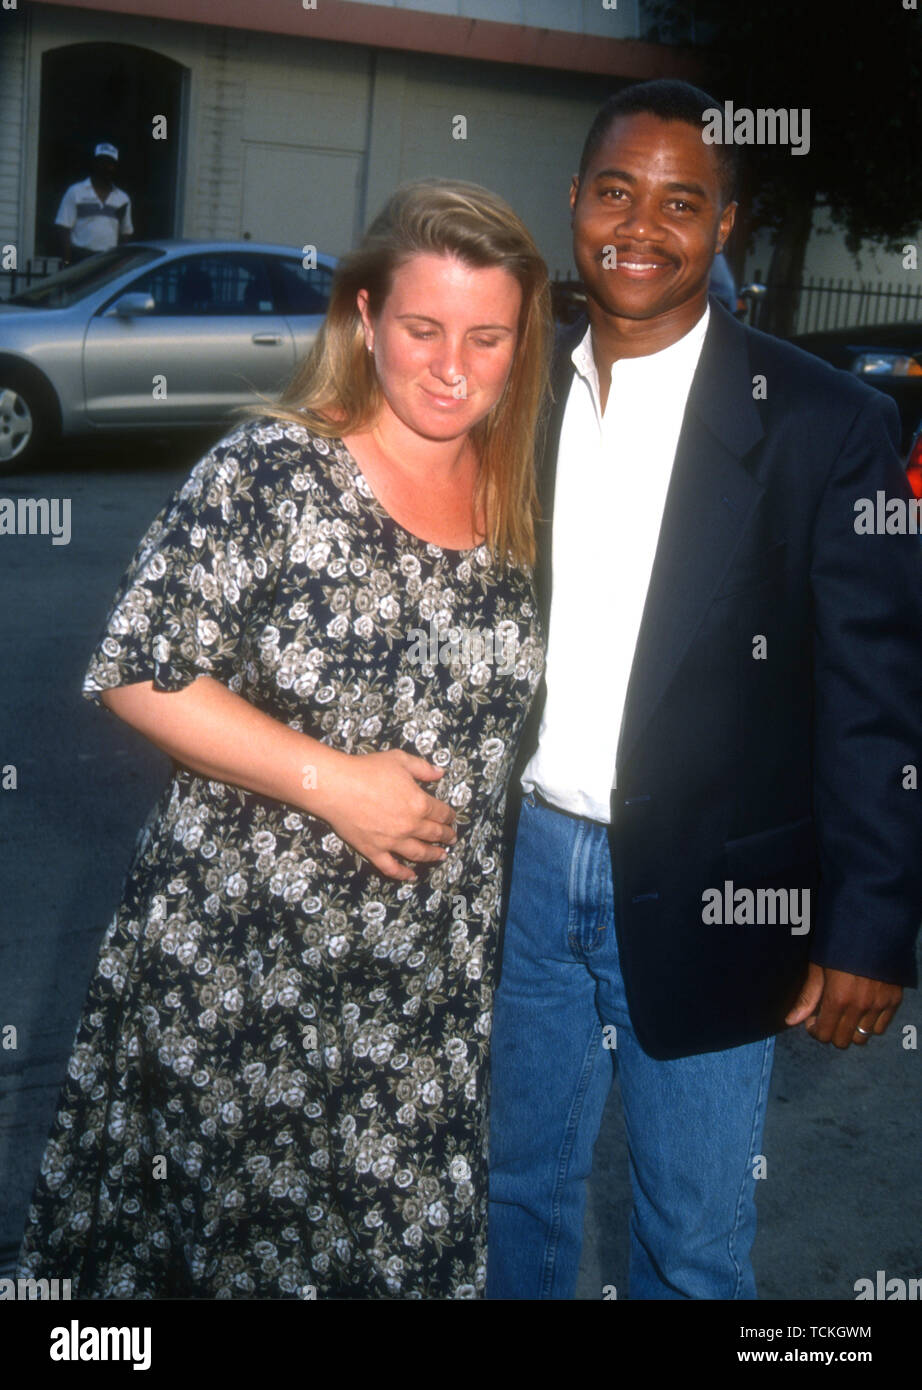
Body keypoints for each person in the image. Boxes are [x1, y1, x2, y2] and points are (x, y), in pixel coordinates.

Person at [17, 179, 550, 1299]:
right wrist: (335, 783)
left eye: (487, 336)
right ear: (363, 319)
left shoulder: (520, 507)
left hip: (422, 1002)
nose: (453, 364)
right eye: (421, 327)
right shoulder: (270, 474)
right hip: (242, 983)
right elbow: (137, 672)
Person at [486, 80, 922, 1301]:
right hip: (522, 868)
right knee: (513, 1194)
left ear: (724, 223)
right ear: (574, 202)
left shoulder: (827, 422)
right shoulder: (519, 391)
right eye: (616, 191)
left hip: (719, 885)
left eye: (683, 202)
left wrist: (868, 927)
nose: (642, 226)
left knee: (691, 1245)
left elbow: (874, 695)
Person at [55, 143, 133, 265]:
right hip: (80, 258)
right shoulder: (76, 191)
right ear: (94, 164)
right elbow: (63, 228)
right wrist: (67, 261)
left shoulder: (123, 199)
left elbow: (126, 234)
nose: (107, 167)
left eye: (111, 164)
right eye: (102, 162)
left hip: (108, 260)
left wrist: (120, 263)